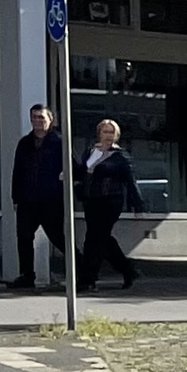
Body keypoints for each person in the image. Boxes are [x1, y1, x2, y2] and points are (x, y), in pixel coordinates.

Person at [75, 118, 142, 291]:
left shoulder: (121, 156)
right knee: (101, 238)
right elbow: (82, 172)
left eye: (111, 132)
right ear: (99, 133)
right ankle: (127, 270)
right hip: (92, 200)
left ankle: (88, 279)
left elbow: (130, 181)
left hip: (111, 201)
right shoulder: (91, 152)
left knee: (95, 239)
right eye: (105, 131)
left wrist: (137, 204)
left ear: (116, 135)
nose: (108, 135)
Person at [6, 101, 64, 289]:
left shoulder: (59, 142)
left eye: (41, 117)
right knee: (23, 238)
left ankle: (81, 271)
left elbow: (73, 167)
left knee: (58, 238)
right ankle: (27, 275)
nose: (37, 121)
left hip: (50, 200)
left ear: (50, 119)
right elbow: (18, 171)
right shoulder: (25, 143)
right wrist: (15, 198)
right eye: (34, 117)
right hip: (27, 200)